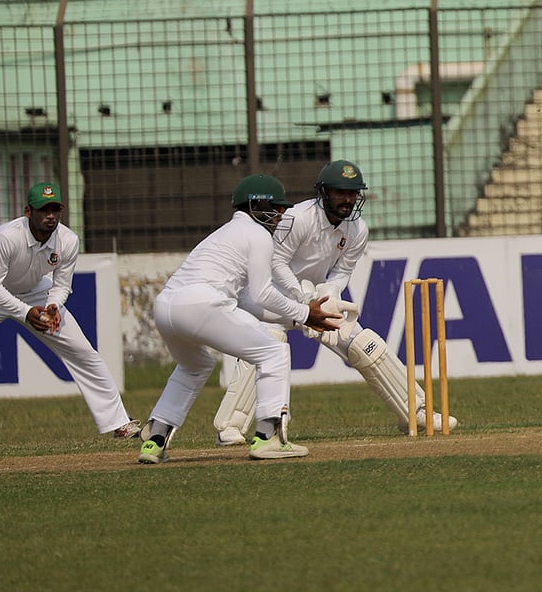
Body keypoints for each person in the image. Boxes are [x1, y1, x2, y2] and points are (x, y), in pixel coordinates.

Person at [212, 160, 459, 444]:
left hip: (313, 297)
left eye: (353, 193)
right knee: (271, 340)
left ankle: (416, 412)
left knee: (363, 343)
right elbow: (276, 261)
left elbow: (342, 271)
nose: (347, 199)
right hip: (270, 296)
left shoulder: (357, 230)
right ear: (324, 192)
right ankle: (230, 426)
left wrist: (329, 293)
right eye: (340, 192)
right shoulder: (298, 218)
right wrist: (300, 295)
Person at [138, 174, 341, 464]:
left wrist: (297, 320)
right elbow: (263, 293)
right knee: (274, 352)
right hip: (202, 303)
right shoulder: (257, 235)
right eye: (277, 208)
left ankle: (155, 440)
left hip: (167, 307)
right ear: (256, 206)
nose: (281, 215)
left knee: (196, 365)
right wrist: (306, 312)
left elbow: (247, 301)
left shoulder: (224, 234)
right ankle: (268, 437)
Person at [0, 182, 141, 442]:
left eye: (55, 209)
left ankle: (119, 422)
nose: (50, 215)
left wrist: (53, 306)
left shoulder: (68, 240)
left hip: (35, 292)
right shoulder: (7, 236)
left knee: (83, 351)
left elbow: (62, 285)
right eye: (44, 210)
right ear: (28, 212)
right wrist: (26, 312)